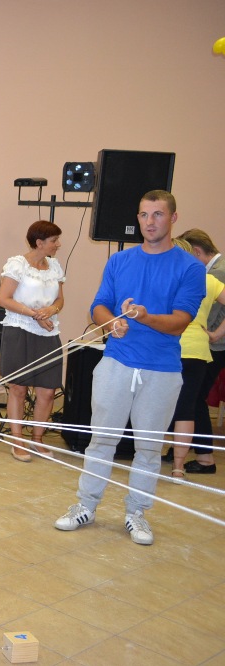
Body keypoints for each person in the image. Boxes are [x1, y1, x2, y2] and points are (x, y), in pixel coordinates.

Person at [54, 190, 204, 546]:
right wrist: (111, 323)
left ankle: (136, 512)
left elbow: (180, 321)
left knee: (149, 449)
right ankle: (86, 505)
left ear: (173, 218)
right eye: (143, 215)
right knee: (101, 440)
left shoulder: (190, 268)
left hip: (161, 370)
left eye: (157, 214)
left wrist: (145, 317)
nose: (149, 222)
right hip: (116, 363)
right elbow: (99, 305)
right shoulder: (120, 261)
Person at [0, 220, 65, 462]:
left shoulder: (55, 266)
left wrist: (51, 310)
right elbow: (4, 299)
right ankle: (17, 440)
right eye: (54, 240)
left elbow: (60, 300)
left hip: (48, 332)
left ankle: (37, 439)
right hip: (20, 330)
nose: (58, 244)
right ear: (39, 243)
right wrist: (35, 314)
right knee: (18, 388)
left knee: (48, 390)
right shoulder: (17, 264)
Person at [166, 236, 225, 478]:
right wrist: (216, 334)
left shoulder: (167, 277)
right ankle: (178, 467)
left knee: (159, 405)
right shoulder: (207, 279)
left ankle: (149, 457)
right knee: (186, 408)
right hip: (198, 351)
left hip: (169, 347)